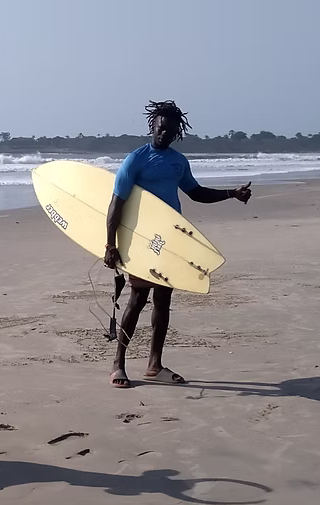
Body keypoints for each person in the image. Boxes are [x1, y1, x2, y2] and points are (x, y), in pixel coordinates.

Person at [105, 100, 252, 388]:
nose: (165, 135)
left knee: (163, 301)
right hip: (143, 240)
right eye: (161, 129)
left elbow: (195, 193)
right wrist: (110, 244)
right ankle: (118, 364)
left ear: (177, 133)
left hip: (170, 239)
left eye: (171, 132)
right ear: (152, 127)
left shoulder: (178, 162)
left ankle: (154, 365)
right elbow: (116, 204)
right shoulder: (135, 159)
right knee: (136, 300)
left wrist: (231, 193)